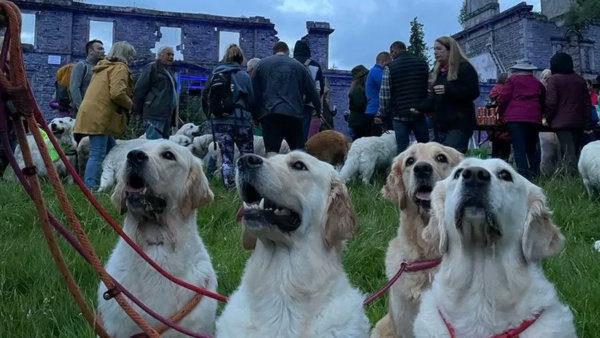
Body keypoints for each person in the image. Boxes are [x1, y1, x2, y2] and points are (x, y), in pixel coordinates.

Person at [73, 41, 136, 190]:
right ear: (125, 54)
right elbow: (117, 93)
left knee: (111, 150)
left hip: (92, 112)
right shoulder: (120, 67)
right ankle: (90, 188)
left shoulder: (102, 67)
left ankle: (108, 183)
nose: (132, 59)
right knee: (97, 153)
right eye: (131, 55)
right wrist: (131, 105)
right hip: (102, 115)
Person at [412, 36, 480, 154]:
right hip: (441, 125)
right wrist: (418, 107)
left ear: (450, 50)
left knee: (451, 157)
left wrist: (448, 89)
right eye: (434, 50)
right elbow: (434, 100)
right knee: (438, 159)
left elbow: (473, 93)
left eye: (439, 49)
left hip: (459, 124)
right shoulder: (440, 73)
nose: (435, 53)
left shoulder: (465, 68)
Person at [251, 41, 321, 157]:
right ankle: (298, 173)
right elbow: (312, 91)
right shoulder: (299, 66)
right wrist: (318, 110)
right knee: (297, 151)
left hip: (269, 113)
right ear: (288, 52)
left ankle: (273, 173)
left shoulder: (261, 65)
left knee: (272, 150)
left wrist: (254, 115)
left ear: (273, 52)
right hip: (293, 113)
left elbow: (254, 92)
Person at [201, 44, 255, 190]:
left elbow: (205, 95)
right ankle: (244, 186)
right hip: (241, 121)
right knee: (246, 155)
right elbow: (251, 99)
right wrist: (252, 115)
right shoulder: (243, 76)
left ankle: (229, 188)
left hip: (220, 121)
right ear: (240, 59)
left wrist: (209, 115)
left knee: (226, 156)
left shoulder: (215, 74)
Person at [377, 41, 430, 154]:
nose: (391, 57)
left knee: (402, 149)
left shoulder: (389, 67)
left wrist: (382, 112)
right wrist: (426, 108)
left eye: (391, 54)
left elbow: (385, 94)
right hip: (419, 113)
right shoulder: (422, 63)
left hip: (399, 115)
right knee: (425, 147)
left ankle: (403, 171)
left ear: (394, 51)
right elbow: (429, 88)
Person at [545, 52, 593, 175]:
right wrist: (587, 121)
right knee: (576, 150)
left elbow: (551, 103)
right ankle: (580, 174)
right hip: (579, 121)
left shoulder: (553, 80)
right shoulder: (580, 80)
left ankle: (571, 178)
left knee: (568, 151)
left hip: (561, 122)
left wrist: (549, 119)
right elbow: (587, 102)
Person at [497, 60, 545, 179]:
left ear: (516, 70)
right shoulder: (537, 83)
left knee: (519, 148)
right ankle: (535, 173)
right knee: (532, 147)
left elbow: (504, 98)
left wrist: (500, 112)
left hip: (515, 117)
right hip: (534, 117)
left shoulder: (512, 80)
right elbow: (543, 100)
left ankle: (523, 176)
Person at [133, 46, 178, 140]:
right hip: (154, 114)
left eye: (172, 55)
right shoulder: (152, 68)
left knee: (163, 147)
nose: (171, 57)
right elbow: (139, 89)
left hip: (166, 115)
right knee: (153, 145)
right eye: (168, 54)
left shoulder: (168, 72)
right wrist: (140, 111)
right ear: (159, 55)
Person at [292, 40, 325, 145]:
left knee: (290, 132)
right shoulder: (315, 65)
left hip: (290, 103)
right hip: (307, 104)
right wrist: (317, 105)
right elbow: (319, 87)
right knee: (303, 133)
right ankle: (300, 153)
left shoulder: (289, 62)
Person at [69, 39, 105, 113]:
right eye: (99, 49)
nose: (103, 51)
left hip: (98, 109)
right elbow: (74, 88)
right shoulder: (81, 66)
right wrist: (81, 108)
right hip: (84, 109)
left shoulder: (103, 67)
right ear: (90, 51)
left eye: (103, 49)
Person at [366, 51, 391, 136]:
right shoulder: (377, 71)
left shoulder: (372, 71)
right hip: (376, 111)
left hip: (372, 110)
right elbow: (386, 85)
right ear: (383, 62)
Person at [488, 72, 511, 161]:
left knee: (496, 141)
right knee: (506, 143)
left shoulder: (495, 89)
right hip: (506, 117)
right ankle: (505, 161)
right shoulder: (507, 89)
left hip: (495, 117)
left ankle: (494, 160)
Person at [347, 65, 370, 140]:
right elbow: (360, 105)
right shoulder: (358, 90)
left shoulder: (356, 89)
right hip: (358, 122)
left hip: (356, 121)